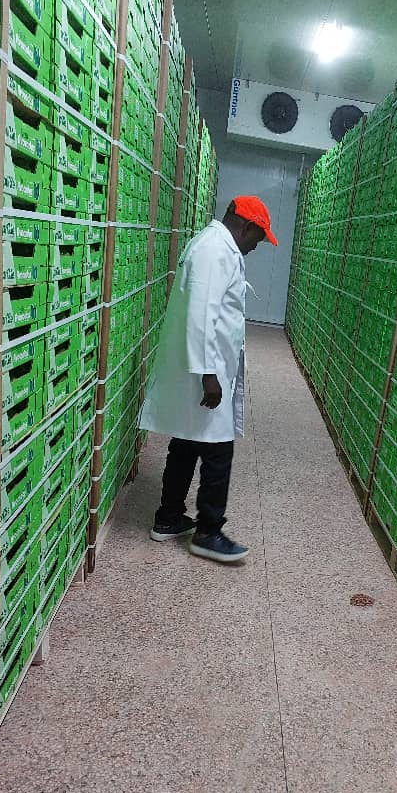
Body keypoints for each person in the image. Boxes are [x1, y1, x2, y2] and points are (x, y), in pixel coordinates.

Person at [139, 195, 278, 563]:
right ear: (246, 226)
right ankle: (208, 532)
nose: (256, 247)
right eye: (258, 238)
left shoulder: (213, 245)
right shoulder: (215, 251)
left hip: (202, 367)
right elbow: (200, 315)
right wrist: (208, 375)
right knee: (218, 450)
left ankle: (169, 517)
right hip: (204, 370)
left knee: (185, 442)